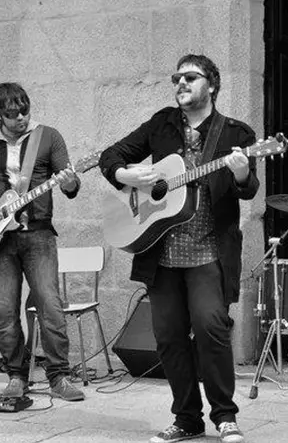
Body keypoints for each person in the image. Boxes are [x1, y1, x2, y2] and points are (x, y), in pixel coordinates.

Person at [99, 54, 256, 443]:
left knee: (210, 327)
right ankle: (187, 419)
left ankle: (225, 416)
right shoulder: (162, 123)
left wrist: (240, 172)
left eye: (190, 77)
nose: (181, 83)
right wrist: (126, 174)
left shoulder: (235, 133)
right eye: (176, 78)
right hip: (162, 252)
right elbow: (110, 157)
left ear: (211, 85)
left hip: (208, 251)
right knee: (168, 338)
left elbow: (248, 188)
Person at [0, 82, 84, 402]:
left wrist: (70, 182)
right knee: (3, 312)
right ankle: (16, 375)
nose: (21, 118)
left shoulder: (48, 136)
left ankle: (58, 376)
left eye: (25, 110)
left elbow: (70, 187)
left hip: (39, 236)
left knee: (50, 305)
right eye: (13, 115)